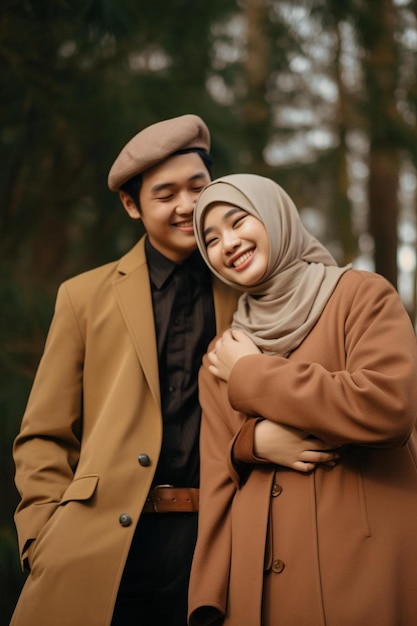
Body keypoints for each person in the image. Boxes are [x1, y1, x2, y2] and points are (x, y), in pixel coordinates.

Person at [10, 114, 242, 626]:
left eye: (197, 187)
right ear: (132, 204)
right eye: (165, 194)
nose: (186, 206)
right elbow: (44, 435)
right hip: (104, 548)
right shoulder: (83, 296)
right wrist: (41, 536)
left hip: (226, 543)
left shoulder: (251, 288)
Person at [188, 173, 417, 626]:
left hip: (363, 566)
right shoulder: (221, 353)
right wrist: (210, 598)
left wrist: (253, 375)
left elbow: (388, 408)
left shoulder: (361, 295)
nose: (228, 243)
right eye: (210, 239)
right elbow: (218, 479)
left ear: (276, 218)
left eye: (238, 221)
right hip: (259, 588)